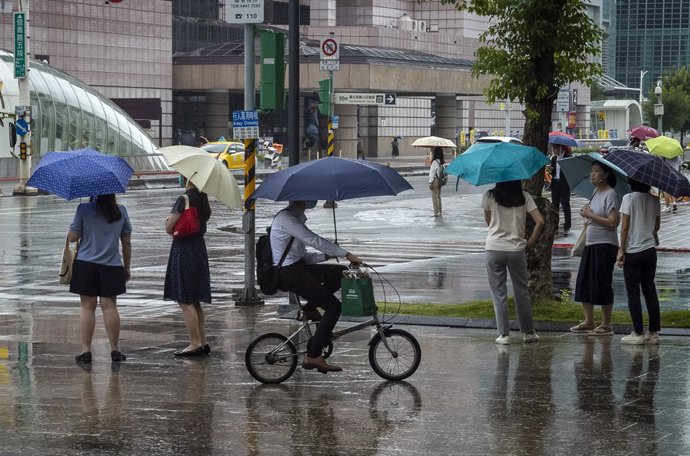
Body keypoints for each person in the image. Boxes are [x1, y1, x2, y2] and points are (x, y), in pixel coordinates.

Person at [271, 201, 363, 373]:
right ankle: (313, 355)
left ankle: (310, 309)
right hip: (291, 274)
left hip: (298, 268)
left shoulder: (294, 218)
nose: (311, 201)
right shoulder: (287, 219)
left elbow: (303, 256)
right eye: (308, 198)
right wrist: (346, 253)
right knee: (334, 308)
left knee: (340, 272)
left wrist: (328, 254)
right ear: (300, 199)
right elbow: (313, 239)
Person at [69, 194, 132, 363]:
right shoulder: (121, 211)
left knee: (87, 307)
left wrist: (80, 220)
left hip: (85, 265)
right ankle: (115, 349)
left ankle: (86, 351)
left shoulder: (84, 209)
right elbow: (126, 242)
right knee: (110, 306)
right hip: (112, 265)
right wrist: (126, 267)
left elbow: (72, 237)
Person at [481, 180, 544, 345]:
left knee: (498, 293)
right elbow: (540, 222)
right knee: (522, 292)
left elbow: (488, 221)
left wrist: (497, 230)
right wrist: (529, 243)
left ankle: (504, 335)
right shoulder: (524, 197)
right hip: (516, 249)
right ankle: (528, 332)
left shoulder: (489, 195)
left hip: (494, 248)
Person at [570, 162, 620, 336]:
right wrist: (587, 214)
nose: (592, 174)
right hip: (591, 244)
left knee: (602, 283)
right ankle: (589, 320)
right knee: (584, 282)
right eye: (591, 171)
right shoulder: (595, 192)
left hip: (605, 245)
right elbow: (596, 216)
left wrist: (591, 215)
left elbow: (613, 222)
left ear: (606, 175)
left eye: (596, 171)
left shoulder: (610, 194)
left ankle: (607, 324)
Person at [164, 180, 212, 357]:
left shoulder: (184, 199)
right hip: (199, 249)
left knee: (185, 299)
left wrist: (167, 221)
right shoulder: (203, 199)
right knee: (195, 299)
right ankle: (203, 341)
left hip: (184, 250)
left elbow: (170, 228)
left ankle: (194, 343)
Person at [617, 179, 661, 345]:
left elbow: (625, 227)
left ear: (630, 183)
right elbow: (656, 226)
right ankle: (653, 332)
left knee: (633, 291)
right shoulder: (654, 199)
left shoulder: (628, 199)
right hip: (650, 250)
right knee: (650, 289)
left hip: (633, 252)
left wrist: (621, 249)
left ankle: (638, 332)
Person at [547, 144, 572, 236]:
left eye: (555, 148)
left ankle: (567, 226)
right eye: (553, 148)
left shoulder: (567, 158)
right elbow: (554, 173)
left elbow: (569, 172)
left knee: (565, 205)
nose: (553, 150)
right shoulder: (554, 159)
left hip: (564, 185)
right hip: (555, 184)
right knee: (555, 206)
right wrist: (550, 170)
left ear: (560, 148)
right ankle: (555, 227)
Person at [428, 147, 444, 217]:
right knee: (439, 196)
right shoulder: (442, 162)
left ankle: (436, 212)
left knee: (434, 196)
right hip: (440, 180)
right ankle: (440, 211)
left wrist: (430, 182)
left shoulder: (434, 162)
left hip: (435, 180)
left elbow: (432, 173)